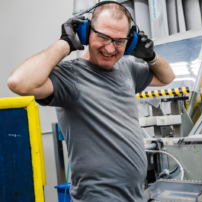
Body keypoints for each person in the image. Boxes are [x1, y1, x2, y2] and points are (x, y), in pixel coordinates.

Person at [7, 2, 175, 202]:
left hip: (134, 195)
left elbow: (167, 77)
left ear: (130, 42)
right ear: (87, 33)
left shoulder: (127, 68)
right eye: (103, 37)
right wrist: (65, 44)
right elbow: (18, 83)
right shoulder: (71, 76)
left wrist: (151, 56)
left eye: (119, 41)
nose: (110, 48)